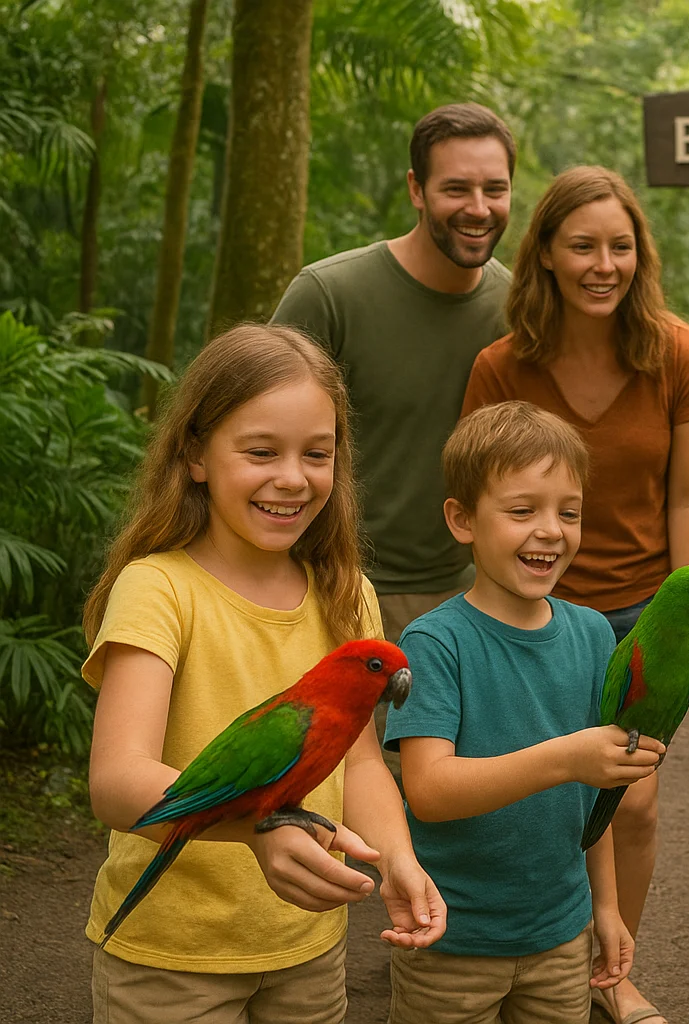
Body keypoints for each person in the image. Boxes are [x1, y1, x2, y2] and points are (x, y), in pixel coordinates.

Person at [83, 325, 445, 1024]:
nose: (292, 477)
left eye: (318, 454)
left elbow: (362, 761)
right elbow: (117, 780)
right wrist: (258, 828)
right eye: (260, 451)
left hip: (307, 952)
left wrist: (397, 855)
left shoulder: (347, 593)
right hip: (172, 959)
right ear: (194, 453)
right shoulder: (159, 589)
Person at [460, 165, 689, 1024]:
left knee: (630, 800)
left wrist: (676, 622)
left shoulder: (676, 351)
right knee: (531, 787)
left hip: (638, 616)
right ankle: (513, 958)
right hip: (530, 612)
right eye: (582, 246)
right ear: (545, 256)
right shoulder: (501, 366)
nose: (603, 263)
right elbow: (481, 498)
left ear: (639, 255)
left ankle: (611, 970)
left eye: (620, 245)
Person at [384, 400, 663, 1023]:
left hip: (561, 937)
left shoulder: (594, 636)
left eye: (570, 512)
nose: (551, 530)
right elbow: (428, 790)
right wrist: (567, 758)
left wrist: (606, 909)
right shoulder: (435, 643)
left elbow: (599, 804)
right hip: (451, 941)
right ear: (462, 520)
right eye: (522, 511)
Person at [271, 102, 515, 643]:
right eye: (456, 189)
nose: (478, 208)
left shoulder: (518, 309)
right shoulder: (329, 295)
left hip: (478, 596)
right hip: (338, 591)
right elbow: (246, 437)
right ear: (416, 189)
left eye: (494, 190)